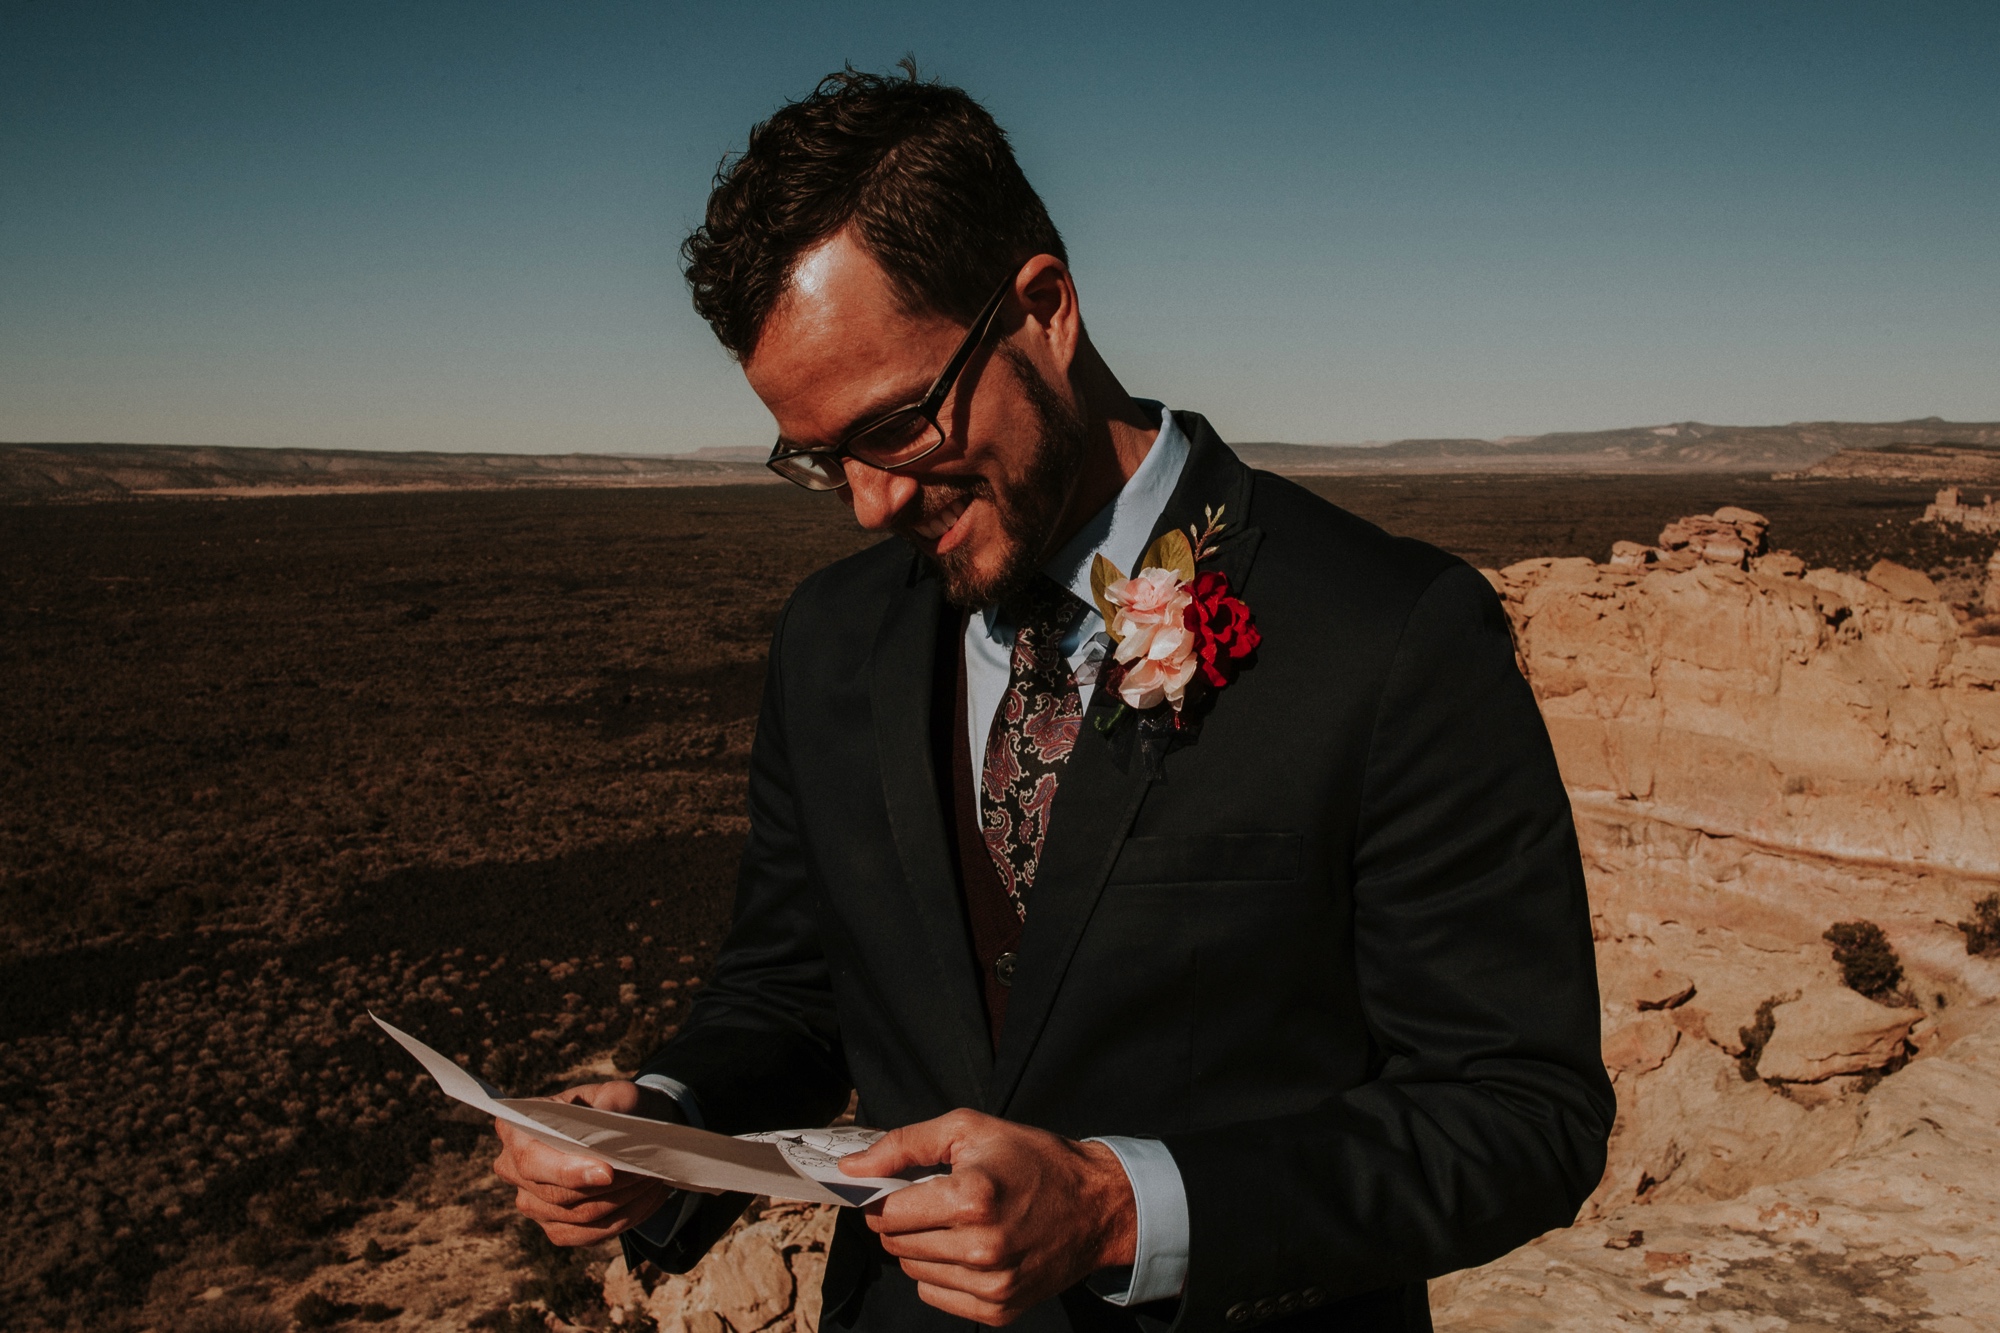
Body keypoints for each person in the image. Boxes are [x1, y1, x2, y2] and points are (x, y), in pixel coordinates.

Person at [493, 64, 1613, 1333]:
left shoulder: (1390, 632)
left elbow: (1521, 1112)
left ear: (1044, 306)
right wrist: (665, 1119)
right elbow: (792, 989)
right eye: (816, 461)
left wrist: (1120, 1206)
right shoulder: (829, 640)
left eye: (898, 424)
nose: (867, 502)